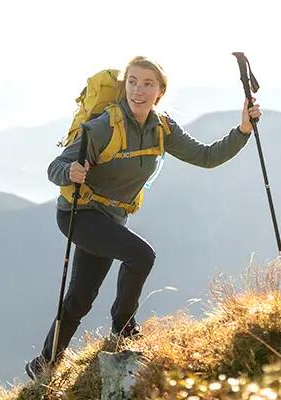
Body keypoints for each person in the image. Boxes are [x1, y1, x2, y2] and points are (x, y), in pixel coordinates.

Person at [25, 56, 262, 380]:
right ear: (125, 86)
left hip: (111, 218)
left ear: (160, 91)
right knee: (141, 256)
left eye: (147, 83)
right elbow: (55, 168)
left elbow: (207, 157)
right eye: (133, 82)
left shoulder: (162, 129)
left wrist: (244, 129)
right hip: (79, 214)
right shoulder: (101, 128)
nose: (138, 90)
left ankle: (44, 364)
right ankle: (123, 328)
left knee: (80, 300)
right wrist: (71, 171)